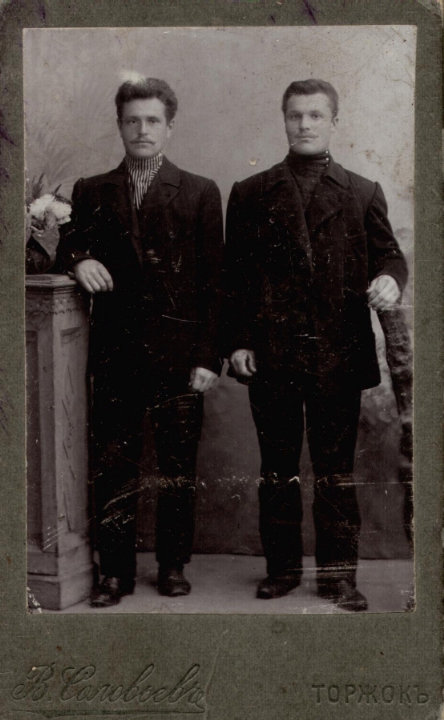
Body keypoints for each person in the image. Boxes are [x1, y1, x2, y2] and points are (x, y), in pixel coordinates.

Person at [223, 79, 408, 611]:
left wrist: (390, 278)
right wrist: (237, 342)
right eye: (295, 115)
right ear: (284, 120)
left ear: (334, 122)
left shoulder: (363, 191)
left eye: (315, 115)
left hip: (337, 355)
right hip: (273, 354)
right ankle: (281, 571)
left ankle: (338, 577)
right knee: (276, 469)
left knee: (335, 472)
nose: (304, 125)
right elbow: (234, 278)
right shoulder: (251, 192)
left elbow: (390, 256)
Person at [56, 77, 223, 607]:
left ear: (170, 126)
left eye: (153, 120)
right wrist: (80, 259)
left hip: (180, 356)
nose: (142, 130)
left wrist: (208, 357)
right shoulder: (91, 189)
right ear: (120, 126)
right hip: (115, 353)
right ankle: (114, 573)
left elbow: (213, 282)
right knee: (113, 465)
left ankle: (173, 566)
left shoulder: (199, 191)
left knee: (178, 468)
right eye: (132, 120)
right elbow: (69, 242)